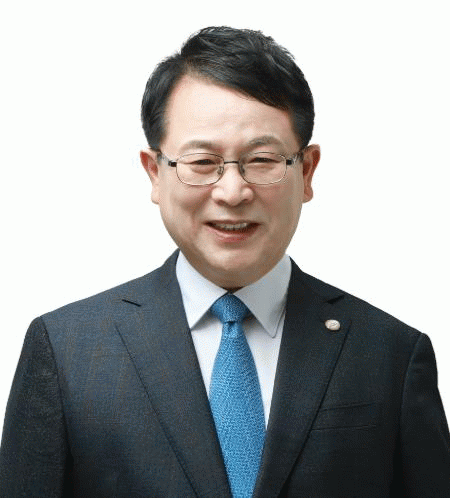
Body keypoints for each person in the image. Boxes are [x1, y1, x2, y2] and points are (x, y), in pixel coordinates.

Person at [0, 26, 449, 498]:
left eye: (262, 159)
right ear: (155, 173)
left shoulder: (391, 354)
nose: (233, 192)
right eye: (201, 162)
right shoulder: (68, 351)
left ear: (307, 170)